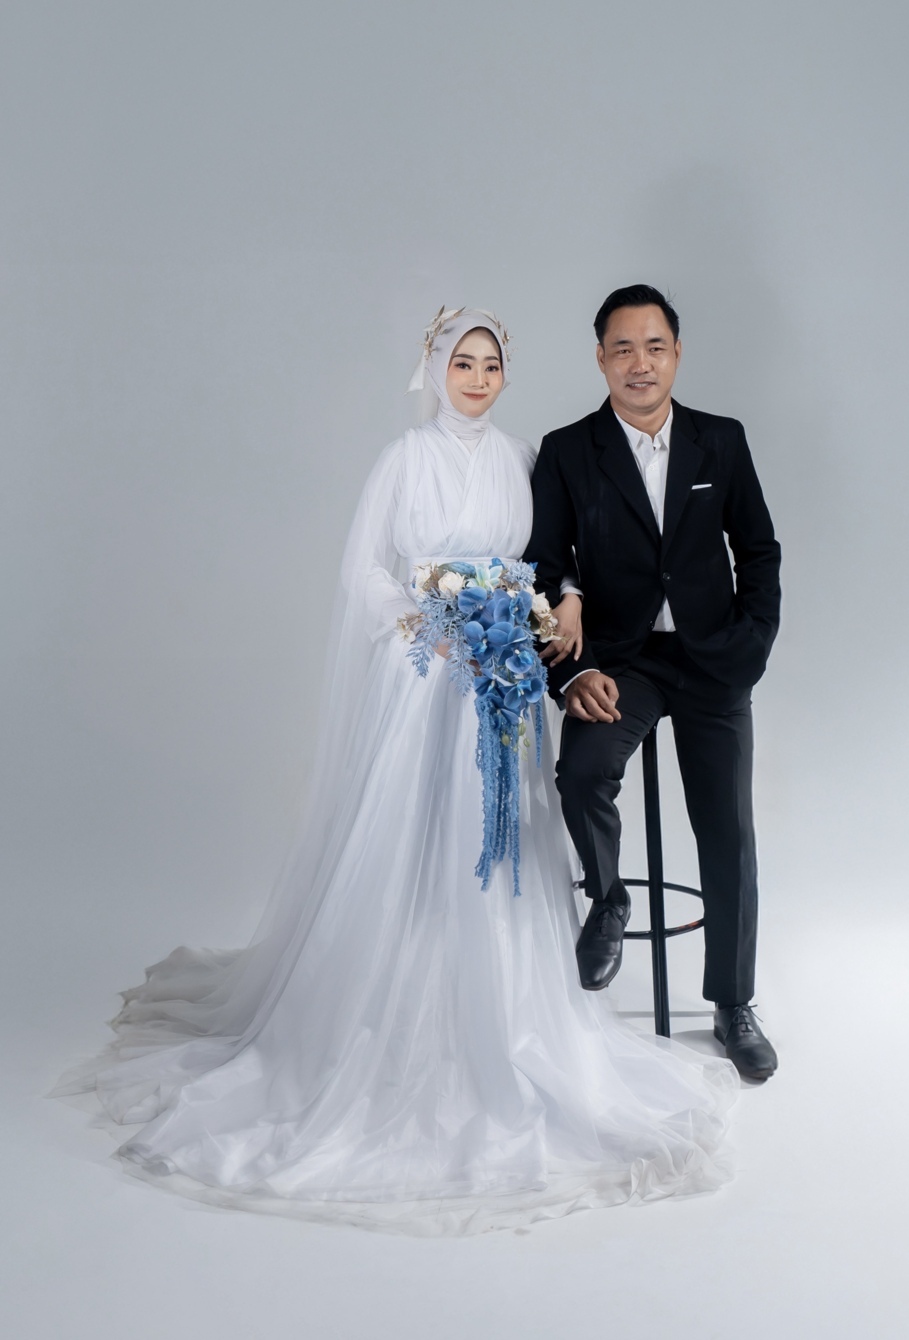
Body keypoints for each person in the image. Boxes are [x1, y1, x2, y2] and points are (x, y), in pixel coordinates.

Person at [51, 308, 737, 1234]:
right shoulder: (403, 459)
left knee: (502, 828)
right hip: (428, 671)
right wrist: (422, 621)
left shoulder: (522, 457)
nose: (479, 378)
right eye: (464, 362)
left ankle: (506, 1004)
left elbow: (550, 555)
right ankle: (396, 998)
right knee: (417, 823)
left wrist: (559, 600)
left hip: (501, 667)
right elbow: (364, 568)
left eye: (492, 364)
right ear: (436, 368)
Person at [527, 285, 782, 1082]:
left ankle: (733, 1003)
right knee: (581, 773)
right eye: (623, 348)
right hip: (618, 661)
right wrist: (573, 671)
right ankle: (608, 900)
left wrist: (749, 647)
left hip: (712, 662)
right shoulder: (567, 451)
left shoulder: (721, 440)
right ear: (600, 358)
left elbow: (759, 550)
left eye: (655, 346)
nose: (640, 363)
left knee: (727, 833)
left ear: (676, 353)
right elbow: (542, 566)